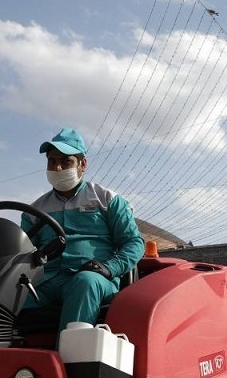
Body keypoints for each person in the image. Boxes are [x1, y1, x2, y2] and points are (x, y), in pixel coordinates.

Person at [20, 128, 145, 329]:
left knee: (84, 282)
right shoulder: (34, 212)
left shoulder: (108, 200)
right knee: (9, 295)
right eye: (52, 161)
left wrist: (110, 267)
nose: (58, 167)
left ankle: (72, 356)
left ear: (82, 164)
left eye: (66, 161)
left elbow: (134, 243)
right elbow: (21, 251)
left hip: (94, 279)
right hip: (48, 282)